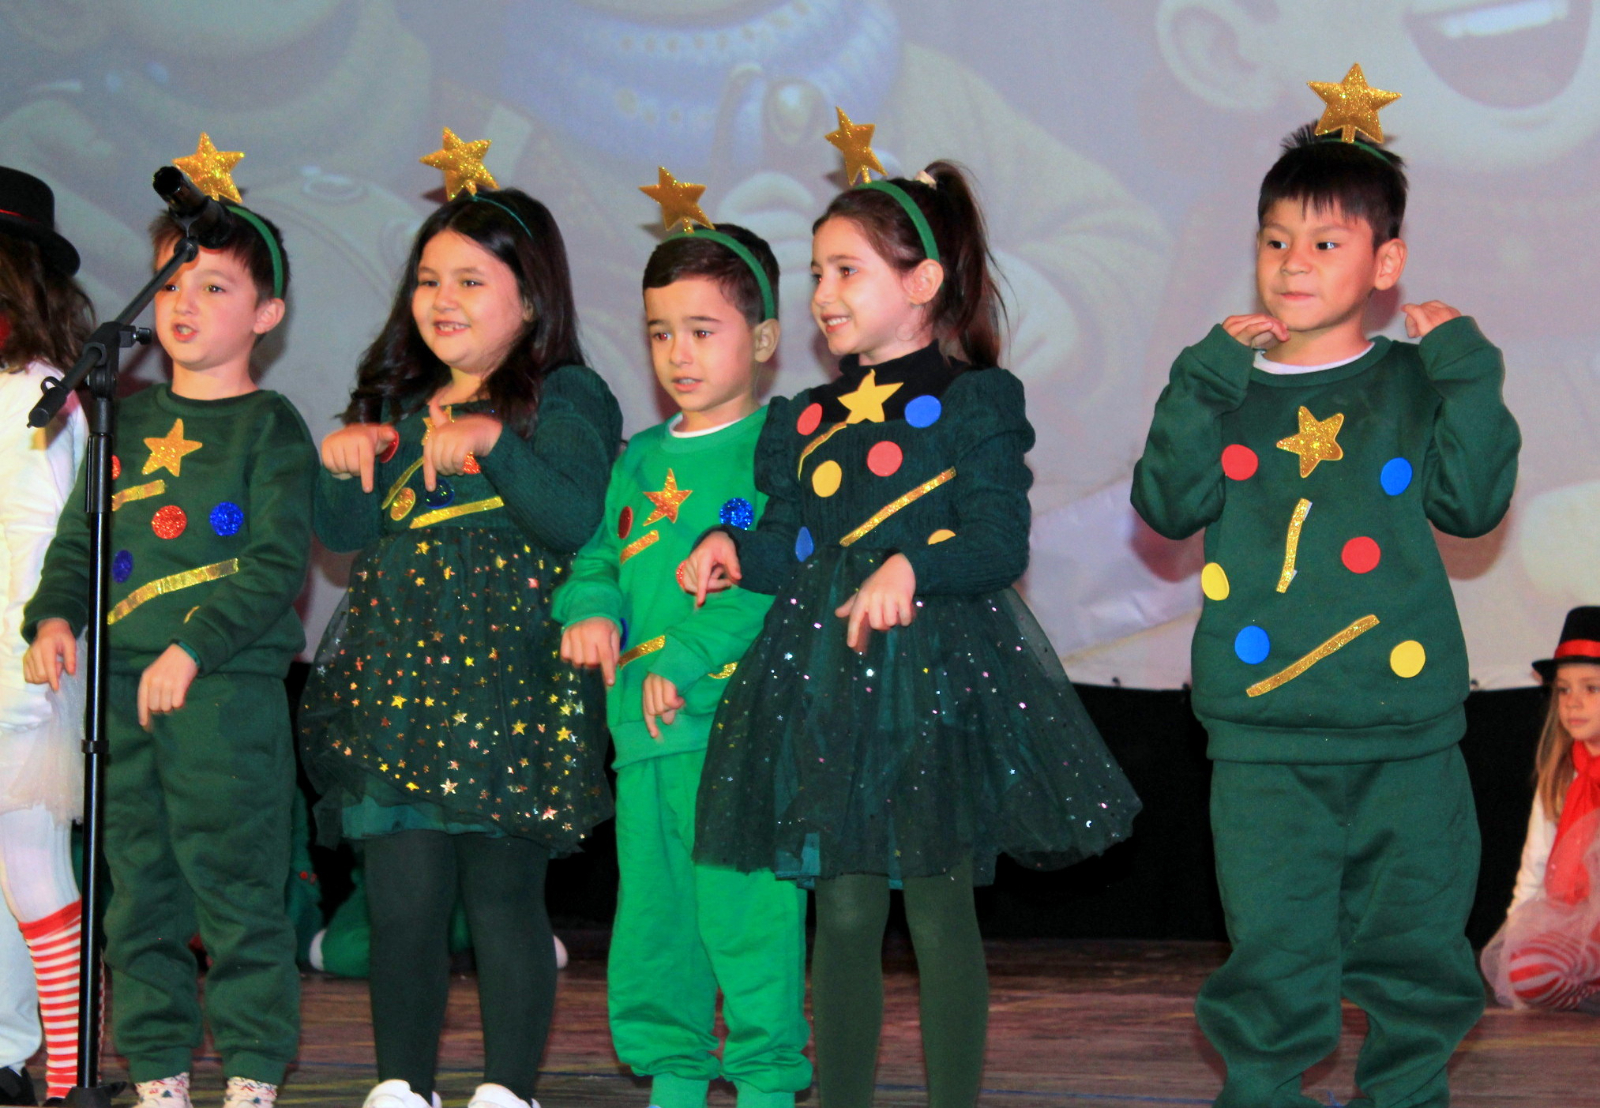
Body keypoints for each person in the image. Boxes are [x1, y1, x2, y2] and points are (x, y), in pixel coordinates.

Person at [679, 146, 1141, 1107]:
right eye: (816, 273)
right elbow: (787, 542)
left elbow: (998, 541)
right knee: (842, 911)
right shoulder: (802, 420)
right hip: (829, 687)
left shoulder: (976, 402)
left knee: (938, 914)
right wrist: (727, 548)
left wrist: (911, 565)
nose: (823, 292)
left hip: (935, 686)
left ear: (923, 282)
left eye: (848, 270)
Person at [1129, 85, 1522, 1106]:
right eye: (1274, 242)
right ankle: (1260, 1089)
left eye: (1324, 243)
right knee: (1273, 955)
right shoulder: (1230, 388)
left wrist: (1471, 381)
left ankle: (1407, 1092)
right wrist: (1199, 381)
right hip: (1265, 739)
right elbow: (1166, 503)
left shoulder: (1412, 384)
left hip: (1402, 731)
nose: (1292, 264)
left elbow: (1474, 505)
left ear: (1385, 266)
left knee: (1418, 950)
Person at [300, 181, 620, 1108]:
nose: (443, 299)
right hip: (398, 701)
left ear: (532, 297)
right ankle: (403, 1084)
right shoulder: (405, 409)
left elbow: (574, 515)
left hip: (509, 695)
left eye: (472, 281)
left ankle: (505, 1090)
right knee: (402, 905)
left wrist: (492, 442)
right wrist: (343, 464)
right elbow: (350, 531)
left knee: (500, 900)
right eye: (429, 279)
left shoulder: (566, 396)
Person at [23, 166, 315, 1108]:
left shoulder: (271, 428)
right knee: (136, 894)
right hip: (119, 691)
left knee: (236, 896)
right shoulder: (122, 419)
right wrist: (55, 615)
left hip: (222, 698)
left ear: (267, 315)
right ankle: (155, 1076)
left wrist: (193, 647)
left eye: (215, 286)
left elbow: (274, 566)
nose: (186, 303)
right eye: (172, 281)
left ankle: (252, 1076)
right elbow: (79, 540)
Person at [554, 216, 810, 1108]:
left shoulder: (779, 449)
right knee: (657, 918)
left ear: (765, 339)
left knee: (747, 914)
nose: (678, 353)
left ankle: (770, 1078)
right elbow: (592, 561)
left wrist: (692, 654)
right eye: (661, 332)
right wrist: (589, 612)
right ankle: (675, 1072)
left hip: (734, 730)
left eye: (704, 331)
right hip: (644, 732)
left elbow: (773, 572)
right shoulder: (636, 460)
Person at [0, 166, 90, 1108]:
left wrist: (23, 671)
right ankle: (9, 1045)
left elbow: (37, 537)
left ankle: (67, 1070)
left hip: (18, 665)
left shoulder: (35, 388)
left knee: (29, 865)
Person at [1481, 607, 1600, 1014]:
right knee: (1528, 967)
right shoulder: (1562, 773)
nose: (1573, 703)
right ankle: (1586, 994)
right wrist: (1514, 941)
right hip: (1575, 925)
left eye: (1591, 688)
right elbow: (1534, 868)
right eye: (1564, 690)